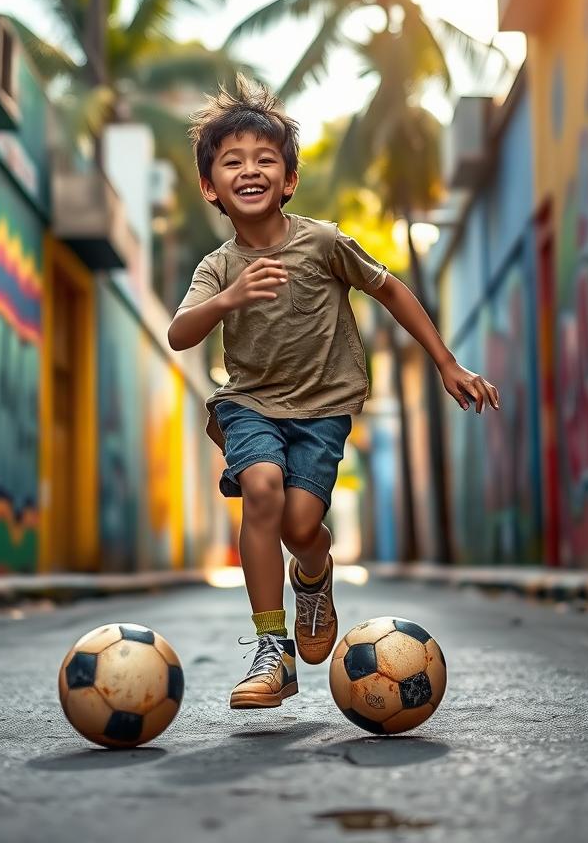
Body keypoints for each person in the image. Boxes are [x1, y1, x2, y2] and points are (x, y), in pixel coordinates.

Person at [167, 75, 499, 709]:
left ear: (289, 178)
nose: (251, 170)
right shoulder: (216, 267)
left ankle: (313, 572)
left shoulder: (322, 242)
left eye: (266, 159)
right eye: (232, 162)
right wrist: (230, 298)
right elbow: (182, 333)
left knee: (300, 524)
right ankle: (273, 652)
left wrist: (446, 363)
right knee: (260, 492)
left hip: (322, 409)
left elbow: (391, 289)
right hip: (250, 403)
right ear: (211, 186)